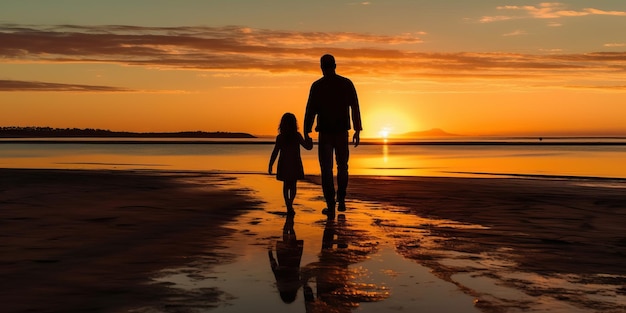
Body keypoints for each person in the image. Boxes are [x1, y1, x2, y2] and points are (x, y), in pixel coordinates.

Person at [304, 54, 362, 218]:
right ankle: (340, 200)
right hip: (339, 131)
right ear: (335, 65)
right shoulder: (345, 83)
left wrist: (307, 131)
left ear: (322, 67)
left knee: (327, 169)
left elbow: (310, 110)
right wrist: (357, 129)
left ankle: (331, 204)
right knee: (341, 166)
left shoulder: (318, 86)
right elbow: (355, 107)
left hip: (328, 133)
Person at [269, 112, 314, 215]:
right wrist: (309, 140)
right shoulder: (296, 136)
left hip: (285, 163)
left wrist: (271, 164)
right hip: (294, 163)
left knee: (287, 185)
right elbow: (308, 147)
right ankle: (290, 204)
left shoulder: (281, 137)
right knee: (292, 185)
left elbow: (275, 152)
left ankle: (288, 205)